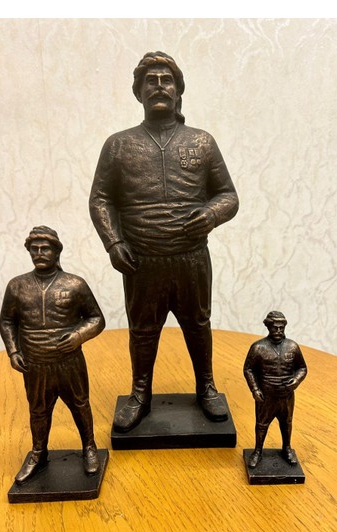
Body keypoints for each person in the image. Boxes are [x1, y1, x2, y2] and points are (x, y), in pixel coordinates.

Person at [89, 51, 239, 433]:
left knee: (198, 324)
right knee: (142, 330)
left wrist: (211, 214)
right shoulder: (118, 145)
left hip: (190, 258)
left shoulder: (201, 142)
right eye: (150, 80)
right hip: (142, 260)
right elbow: (101, 199)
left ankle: (206, 387)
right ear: (138, 91)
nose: (159, 86)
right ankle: (140, 394)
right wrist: (113, 242)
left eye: (166, 80)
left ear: (178, 91)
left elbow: (228, 196)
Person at [0, 226, 105, 484]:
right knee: (38, 410)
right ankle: (38, 452)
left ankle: (89, 447)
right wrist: (13, 351)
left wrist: (78, 335)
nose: (39, 253)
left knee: (80, 405)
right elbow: (7, 321)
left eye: (44, 248)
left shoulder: (75, 284)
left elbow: (96, 319)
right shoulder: (17, 286)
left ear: (56, 251)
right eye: (34, 249)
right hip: (35, 363)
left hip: (69, 362)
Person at [243, 311, 307, 468]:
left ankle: (287, 448)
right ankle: (258, 451)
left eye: (281, 328)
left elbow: (302, 368)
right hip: (267, 395)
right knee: (261, 424)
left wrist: (296, 381)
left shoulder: (292, 347)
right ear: (268, 327)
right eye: (275, 328)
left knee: (287, 423)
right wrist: (255, 389)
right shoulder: (258, 347)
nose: (278, 331)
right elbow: (248, 369)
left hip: (286, 395)